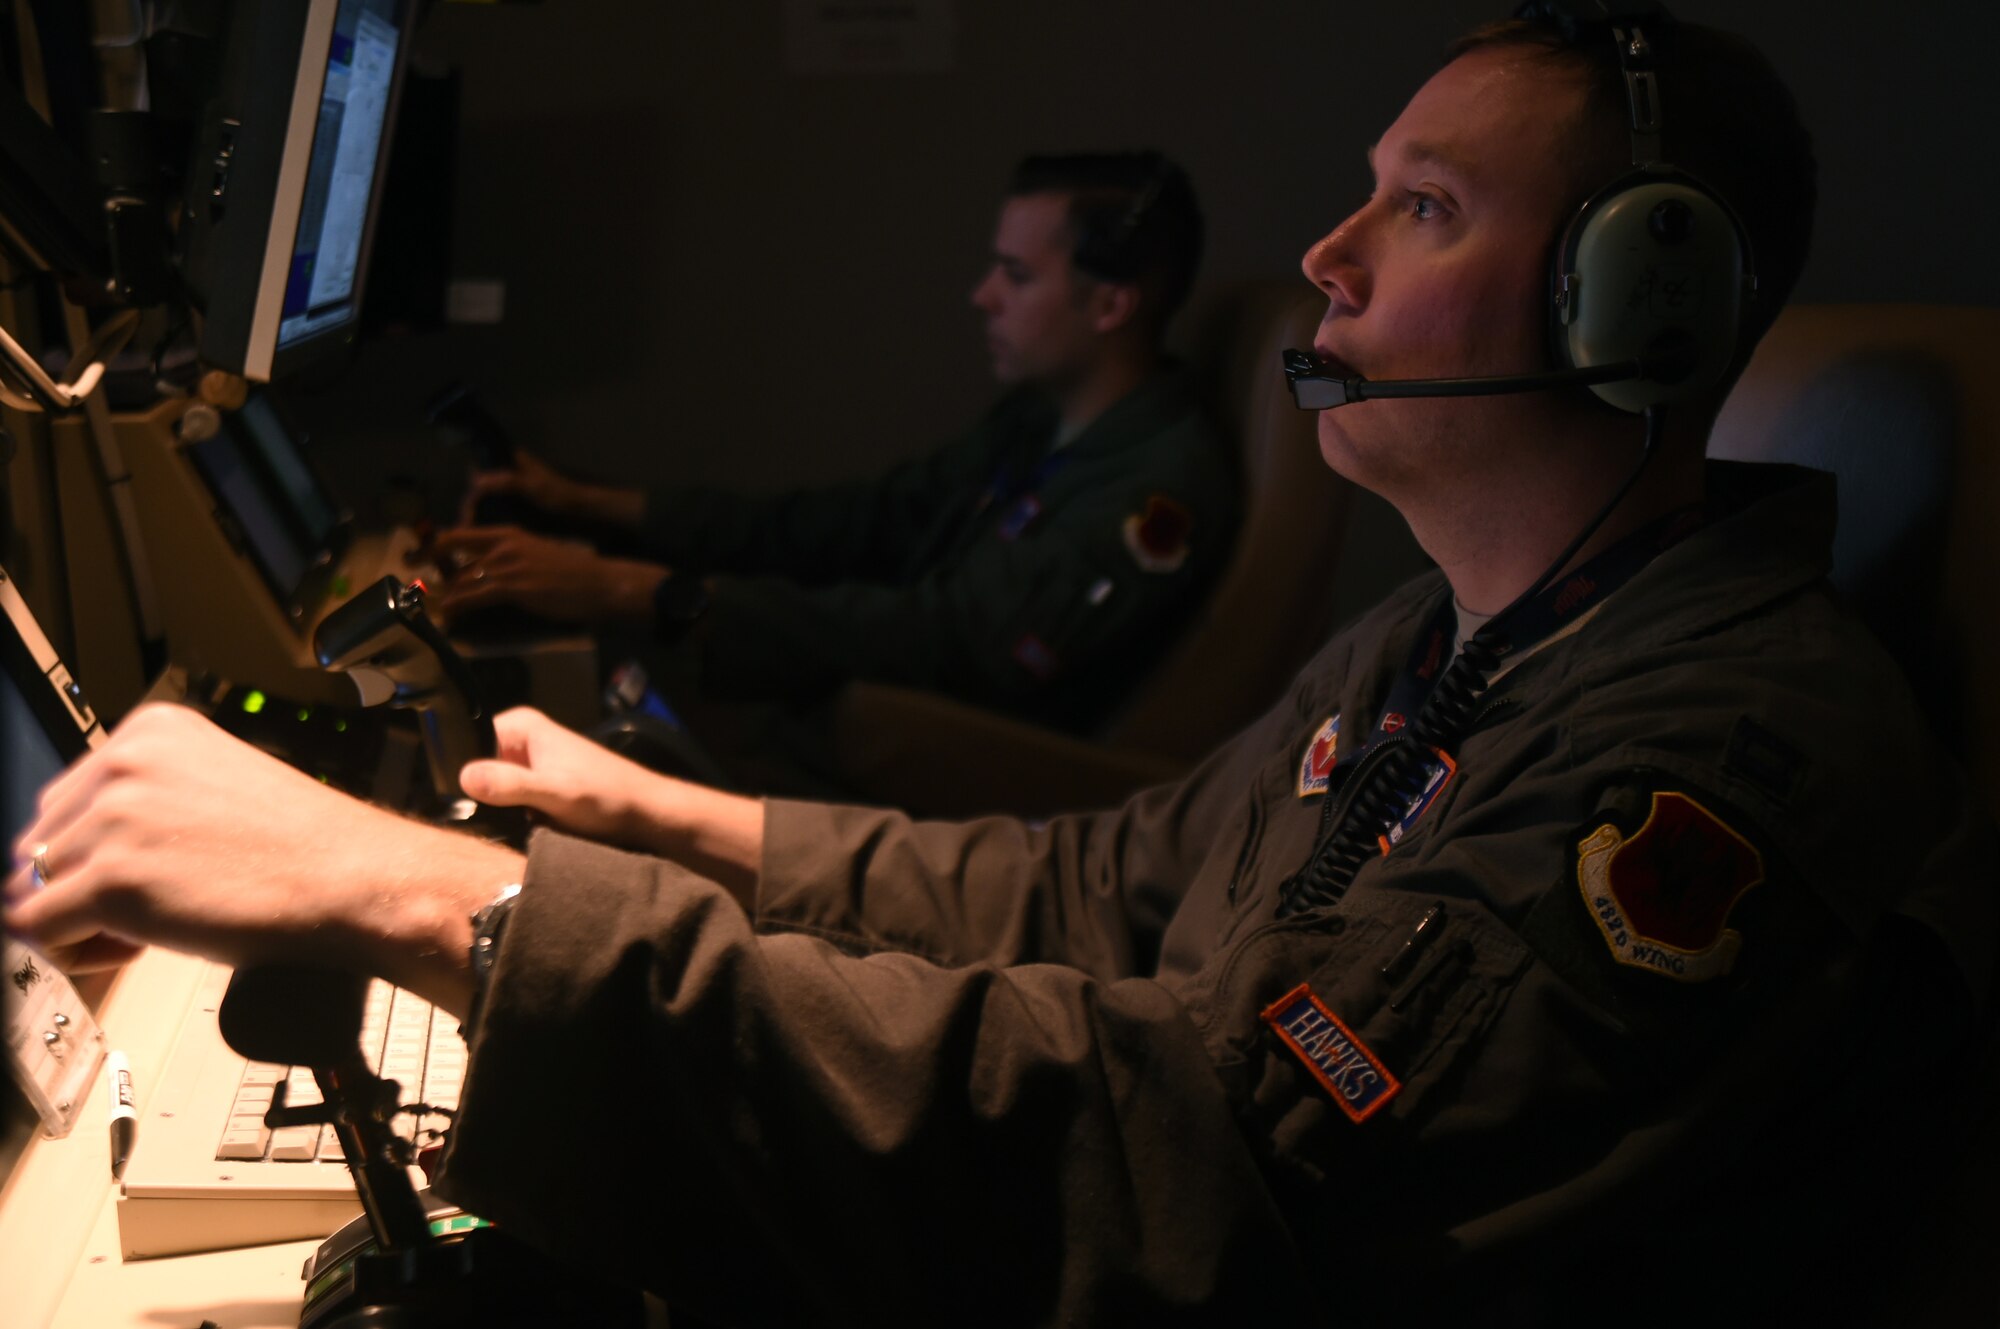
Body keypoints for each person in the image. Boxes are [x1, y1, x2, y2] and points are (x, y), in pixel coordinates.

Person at [8, 7, 1993, 1323]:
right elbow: (1094, 883)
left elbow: (1200, 1154)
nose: (1329, 254)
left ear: (1633, 304)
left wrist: (430, 896)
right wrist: (661, 817)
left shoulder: (1723, 756)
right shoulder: (1443, 640)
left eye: (1426, 205)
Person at [429, 152, 1237, 746]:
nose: (981, 295)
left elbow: (944, 641)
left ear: (1112, 303)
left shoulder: (1157, 489)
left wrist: (638, 592)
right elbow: (859, 521)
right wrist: (593, 506)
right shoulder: (1044, 415)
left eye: (1015, 274)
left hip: (954, 776)